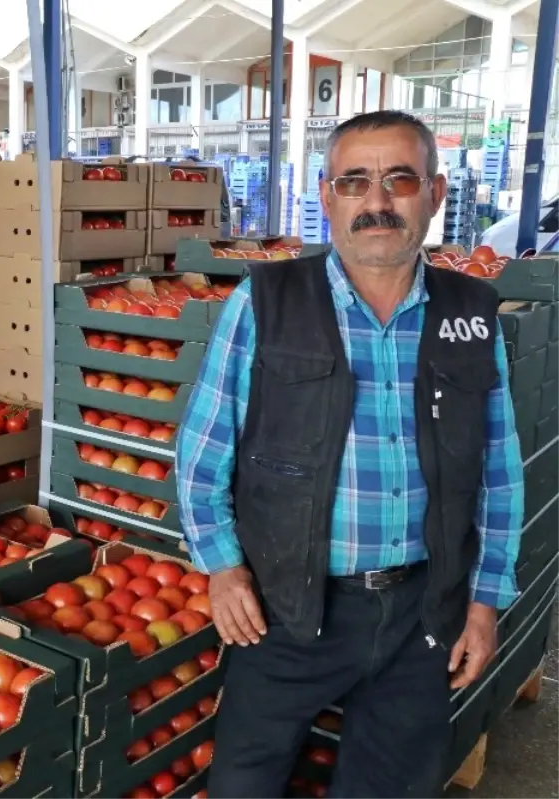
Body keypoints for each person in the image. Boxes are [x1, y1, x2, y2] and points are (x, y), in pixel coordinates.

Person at [175, 109, 524, 798]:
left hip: (424, 610)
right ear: (328, 194)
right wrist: (221, 567)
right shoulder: (266, 301)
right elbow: (201, 452)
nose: (377, 201)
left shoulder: (470, 312)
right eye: (355, 181)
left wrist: (484, 603)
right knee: (246, 779)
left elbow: (499, 473)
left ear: (436, 193)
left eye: (399, 179)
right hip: (286, 606)